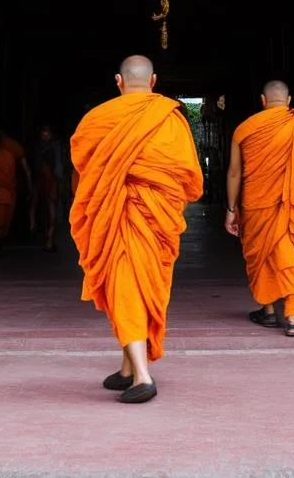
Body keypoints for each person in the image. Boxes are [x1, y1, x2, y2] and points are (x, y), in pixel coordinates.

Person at [70, 55, 203, 404]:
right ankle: (129, 367)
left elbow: (82, 166)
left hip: (118, 213)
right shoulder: (171, 119)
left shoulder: (97, 119)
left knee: (126, 286)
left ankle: (143, 377)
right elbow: (188, 176)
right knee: (135, 288)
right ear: (154, 80)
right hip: (152, 215)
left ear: (118, 80)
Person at [225, 81, 294, 337]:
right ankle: (293, 314)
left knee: (262, 253)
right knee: (291, 253)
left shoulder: (244, 130)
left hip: (256, 203)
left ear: (263, 100)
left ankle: (270, 310)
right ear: (289, 99)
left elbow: (235, 173)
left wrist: (231, 209)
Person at [0, 132, 30, 253]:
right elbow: (26, 169)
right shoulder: (12, 152)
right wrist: (30, 185)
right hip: (4, 190)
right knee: (1, 220)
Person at [31, 124, 64, 252]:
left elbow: (58, 164)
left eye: (47, 134)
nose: (45, 136)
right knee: (37, 207)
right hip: (40, 180)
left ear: (51, 135)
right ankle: (36, 227)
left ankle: (49, 240)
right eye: (43, 134)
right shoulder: (37, 147)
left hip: (51, 181)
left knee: (52, 212)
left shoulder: (55, 147)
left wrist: (57, 177)